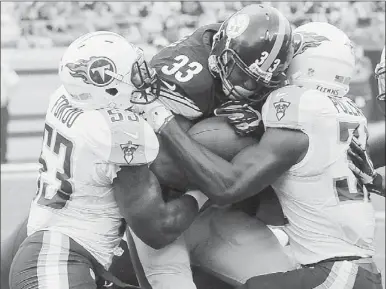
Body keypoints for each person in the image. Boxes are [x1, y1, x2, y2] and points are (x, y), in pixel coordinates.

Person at [141, 21, 383, 288]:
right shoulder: (349, 112)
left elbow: (229, 185)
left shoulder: (296, 105)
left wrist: (161, 118)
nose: (278, 68)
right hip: (353, 266)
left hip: (336, 269)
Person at [8, 31, 209, 289]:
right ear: (108, 86)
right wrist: (203, 192)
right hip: (58, 258)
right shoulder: (119, 133)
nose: (142, 77)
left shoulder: (65, 95)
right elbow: (158, 229)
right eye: (133, 74)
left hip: (59, 245)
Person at [1, 59, 19, 163]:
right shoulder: (3, 67)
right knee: (2, 134)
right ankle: (2, 158)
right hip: (2, 106)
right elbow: (14, 82)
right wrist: (7, 97)